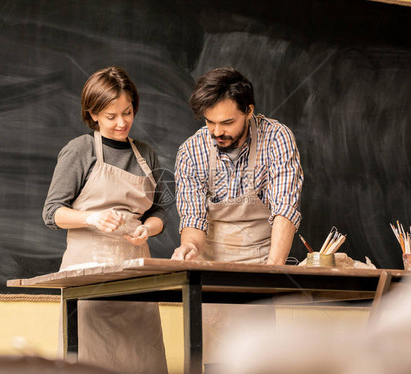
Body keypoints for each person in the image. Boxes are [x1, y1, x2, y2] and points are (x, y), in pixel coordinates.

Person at [42, 67, 168, 373]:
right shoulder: (80, 150)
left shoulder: (147, 155)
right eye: (110, 116)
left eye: (127, 112)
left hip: (135, 276)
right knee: (88, 360)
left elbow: (160, 211)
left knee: (142, 359)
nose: (121, 122)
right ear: (93, 114)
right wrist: (92, 218)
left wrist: (147, 228)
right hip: (87, 277)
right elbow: (52, 212)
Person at [172, 67, 303, 265]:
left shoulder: (276, 138)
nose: (217, 132)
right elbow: (193, 220)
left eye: (227, 122)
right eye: (210, 122)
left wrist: (273, 270)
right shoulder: (191, 151)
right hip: (209, 268)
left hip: (264, 264)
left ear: (249, 111)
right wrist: (189, 247)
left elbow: (284, 211)